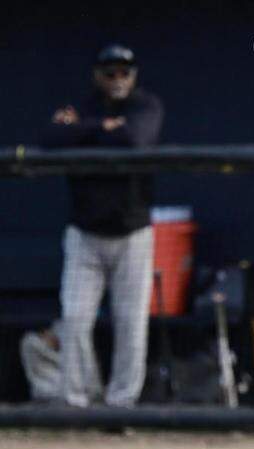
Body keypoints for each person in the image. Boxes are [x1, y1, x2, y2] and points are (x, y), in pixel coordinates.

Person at [42, 44, 163, 408]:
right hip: (85, 234)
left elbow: (134, 139)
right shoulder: (84, 107)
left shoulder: (146, 105)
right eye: (110, 72)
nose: (117, 79)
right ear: (97, 74)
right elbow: (49, 139)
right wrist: (99, 126)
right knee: (75, 320)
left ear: (134, 75)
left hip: (132, 234)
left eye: (124, 72)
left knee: (131, 326)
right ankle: (78, 403)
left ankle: (121, 406)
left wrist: (82, 131)